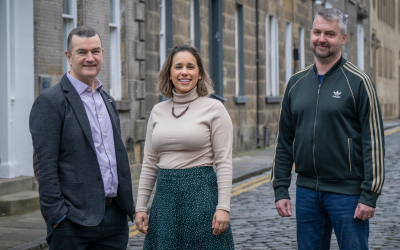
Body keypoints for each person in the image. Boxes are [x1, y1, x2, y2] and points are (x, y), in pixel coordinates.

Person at [271, 8, 384, 250]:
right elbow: (284, 141)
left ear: (343, 38)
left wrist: (369, 194)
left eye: (330, 34)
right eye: (317, 32)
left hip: (348, 195)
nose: (322, 39)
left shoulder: (359, 82)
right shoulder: (295, 83)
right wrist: (280, 189)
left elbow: (373, 143)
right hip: (307, 192)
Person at [29, 26, 134, 249]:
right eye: (82, 52)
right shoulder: (50, 102)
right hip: (72, 222)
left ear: (102, 54)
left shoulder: (108, 100)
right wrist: (57, 216)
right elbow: (44, 166)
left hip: (115, 219)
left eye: (95, 51)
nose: (90, 58)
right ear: (69, 56)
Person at [134, 44, 235, 249]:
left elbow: (224, 162)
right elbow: (150, 163)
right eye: (178, 66)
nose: (184, 72)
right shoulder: (157, 111)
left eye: (191, 67)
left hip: (201, 197)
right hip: (165, 200)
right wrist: (140, 206)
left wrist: (223, 207)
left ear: (199, 74)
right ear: (169, 74)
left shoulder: (214, 109)